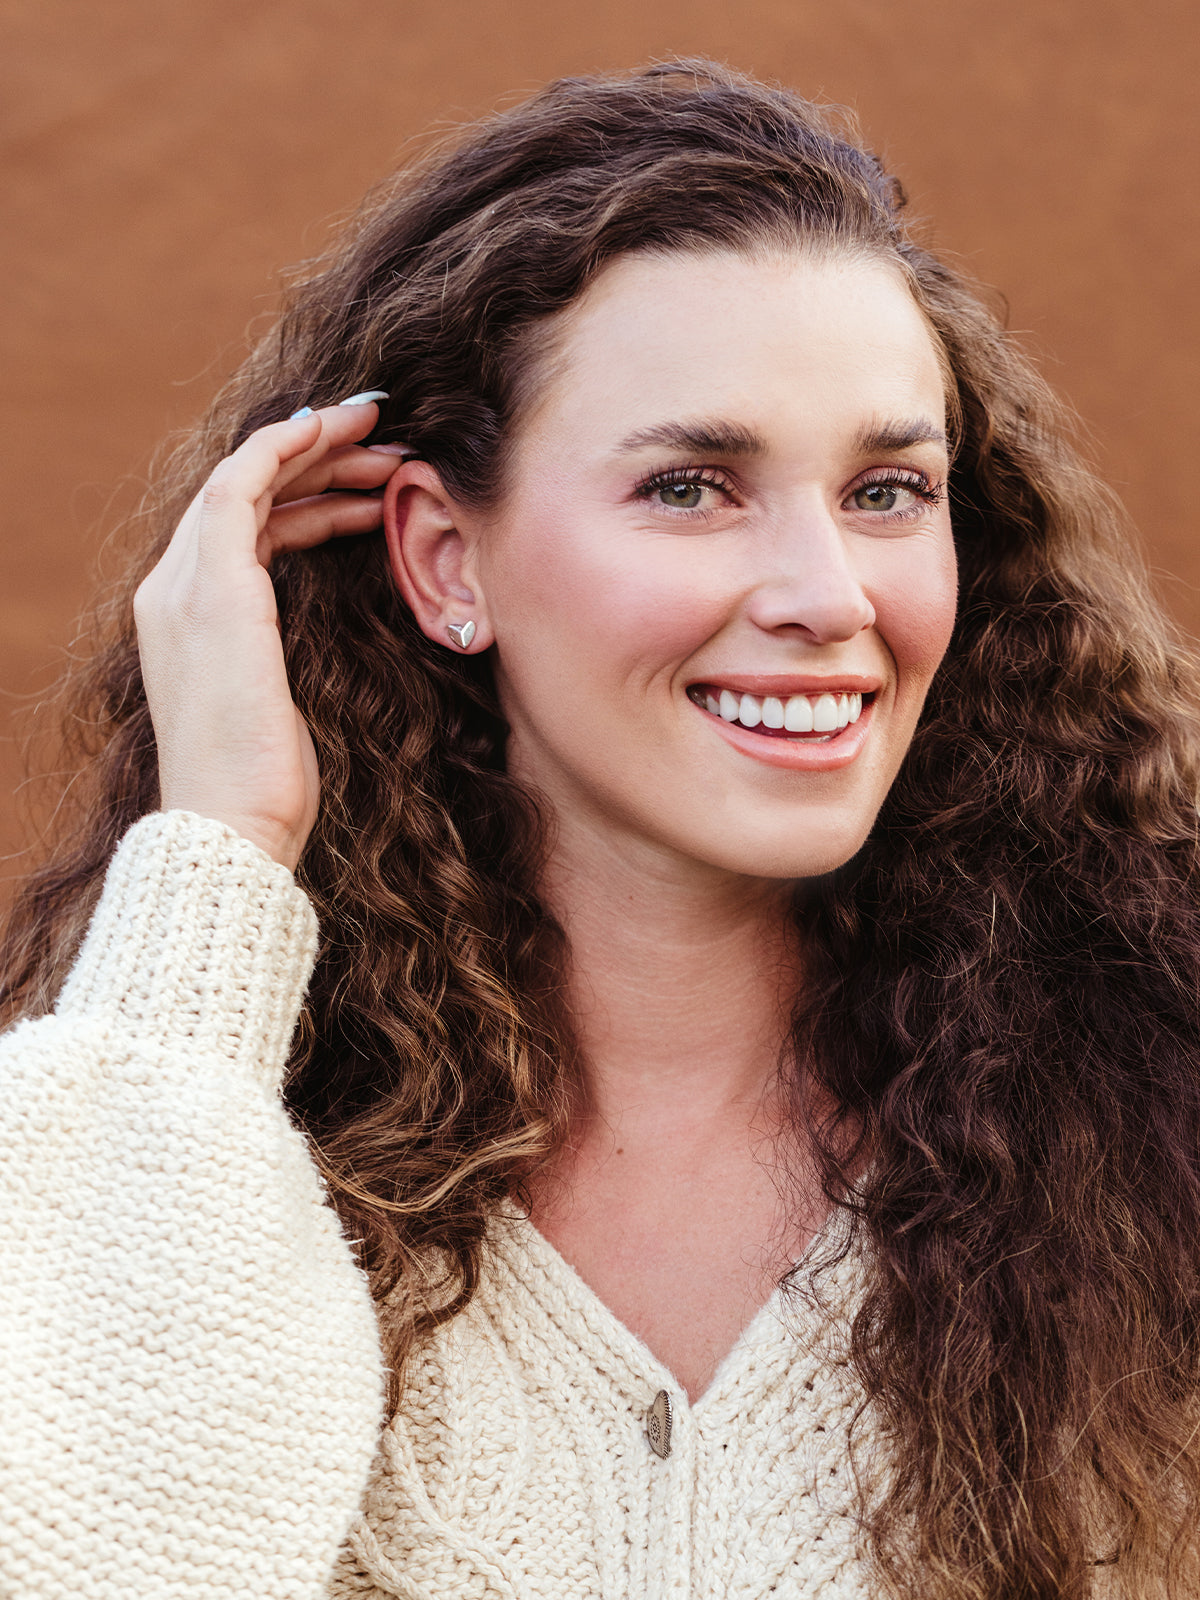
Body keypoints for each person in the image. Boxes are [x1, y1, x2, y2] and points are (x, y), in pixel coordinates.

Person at [2, 58, 1198, 1600]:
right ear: (446, 560)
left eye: (890, 489)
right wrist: (222, 848)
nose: (831, 597)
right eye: (693, 486)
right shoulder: (182, 1126)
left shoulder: (1149, 1127)